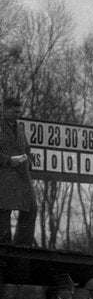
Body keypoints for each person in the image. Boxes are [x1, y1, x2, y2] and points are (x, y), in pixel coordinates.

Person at [0, 96, 37, 246]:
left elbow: (26, 148)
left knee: (31, 207)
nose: (18, 114)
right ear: (5, 110)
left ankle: (22, 244)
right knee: (3, 210)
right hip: (3, 176)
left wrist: (29, 159)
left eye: (19, 111)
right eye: (14, 111)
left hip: (21, 176)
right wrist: (9, 160)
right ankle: (4, 246)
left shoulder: (20, 128)